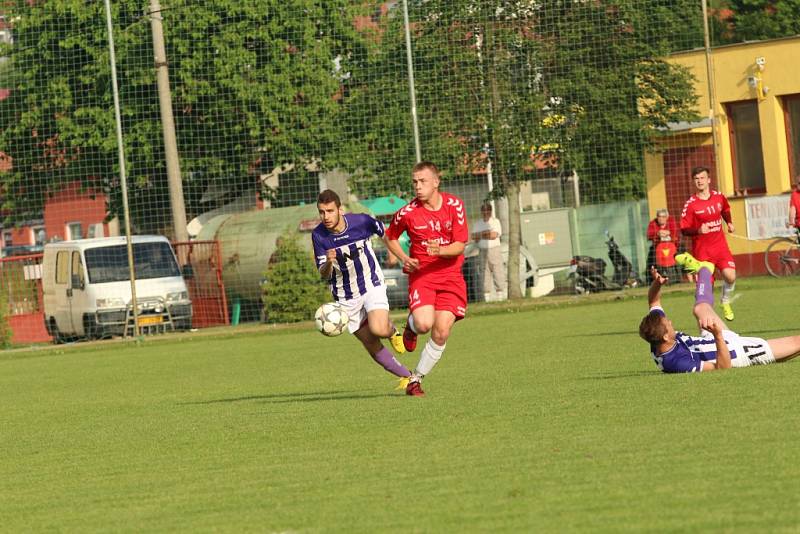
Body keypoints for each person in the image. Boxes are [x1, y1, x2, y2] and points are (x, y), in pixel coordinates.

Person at [385, 161, 469, 397]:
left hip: (451, 277)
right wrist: (403, 258)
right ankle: (411, 328)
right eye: (414, 182)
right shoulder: (408, 212)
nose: (417, 186)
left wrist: (440, 250)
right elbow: (389, 236)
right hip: (423, 276)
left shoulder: (455, 206)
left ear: (436, 182)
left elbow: (460, 245)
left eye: (422, 181)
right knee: (423, 323)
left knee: (441, 331)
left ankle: (415, 380)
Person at [311, 190, 410, 387]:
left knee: (378, 328)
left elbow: (386, 234)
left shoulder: (361, 222)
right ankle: (407, 376)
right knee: (370, 343)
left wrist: (399, 257)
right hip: (345, 297)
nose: (326, 217)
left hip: (370, 282)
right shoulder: (318, 235)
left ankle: (392, 332)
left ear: (340, 209)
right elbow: (323, 273)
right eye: (322, 212)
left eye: (330, 211)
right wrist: (329, 262)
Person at [639, 254, 800, 373]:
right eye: (668, 325)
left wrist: (657, 284)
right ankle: (704, 269)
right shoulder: (676, 363)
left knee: (700, 308)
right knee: (797, 342)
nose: (671, 323)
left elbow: (654, 301)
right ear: (665, 337)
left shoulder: (656, 338)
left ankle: (704, 269)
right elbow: (723, 367)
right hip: (738, 352)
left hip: (712, 339)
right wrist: (717, 335)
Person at [679, 166, 737, 321]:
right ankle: (706, 326)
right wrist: (698, 230)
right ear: (694, 182)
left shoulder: (719, 197)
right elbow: (684, 229)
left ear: (709, 180)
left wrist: (729, 223)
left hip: (720, 248)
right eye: (696, 179)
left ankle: (725, 301)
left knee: (730, 276)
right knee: (705, 292)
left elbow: (725, 210)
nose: (699, 181)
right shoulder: (691, 204)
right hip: (703, 254)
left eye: (702, 178)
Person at [471, 202, 506, 301]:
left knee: (497, 270)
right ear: (481, 212)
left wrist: (481, 235)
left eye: (488, 210)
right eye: (484, 211)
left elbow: (494, 235)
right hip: (482, 250)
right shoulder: (478, 223)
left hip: (494, 249)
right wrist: (486, 233)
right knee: (484, 272)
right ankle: (487, 297)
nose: (486, 213)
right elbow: (473, 236)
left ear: (490, 211)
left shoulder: (495, 222)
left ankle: (500, 296)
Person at [646, 208, 680, 282]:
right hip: (657, 247)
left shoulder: (671, 221)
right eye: (659, 216)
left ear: (667, 217)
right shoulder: (653, 223)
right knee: (650, 260)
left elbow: (676, 233)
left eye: (663, 216)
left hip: (672, 247)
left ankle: (679, 278)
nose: (661, 218)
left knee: (680, 258)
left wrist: (668, 233)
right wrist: (658, 234)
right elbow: (649, 235)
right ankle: (651, 280)